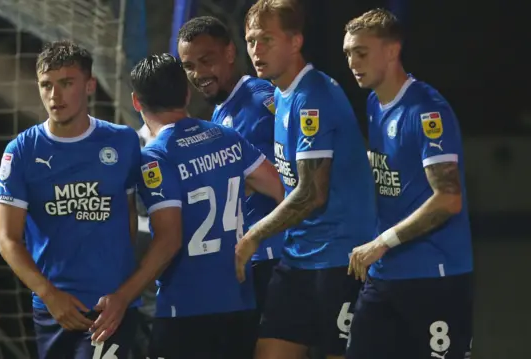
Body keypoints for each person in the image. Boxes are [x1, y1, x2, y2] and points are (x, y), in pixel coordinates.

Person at [236, 1, 377, 359]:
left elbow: (312, 193)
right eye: (251, 40)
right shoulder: (282, 94)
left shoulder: (313, 96)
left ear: (295, 41)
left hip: (339, 261)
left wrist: (253, 236)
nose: (256, 49)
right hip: (297, 259)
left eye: (267, 39)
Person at [131, 53, 284, 359]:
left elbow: (168, 241)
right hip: (238, 300)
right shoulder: (227, 137)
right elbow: (281, 188)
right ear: (187, 93)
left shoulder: (155, 157)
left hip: (185, 307)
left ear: (137, 102)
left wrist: (124, 295)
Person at [0, 40, 140, 359]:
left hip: (110, 307)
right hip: (53, 309)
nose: (54, 95)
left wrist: (124, 290)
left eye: (66, 83)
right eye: (46, 85)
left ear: (89, 85)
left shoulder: (123, 141)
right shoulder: (20, 152)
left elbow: (129, 217)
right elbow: (7, 239)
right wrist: (49, 294)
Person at [343, 9, 474, 359]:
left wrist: (382, 242)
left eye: (362, 52)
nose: (353, 61)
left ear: (391, 51)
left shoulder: (427, 112)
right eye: (348, 53)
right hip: (385, 276)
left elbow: (448, 200)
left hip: (435, 276)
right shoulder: (374, 102)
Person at [177, 15, 283, 315]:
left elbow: (283, 182)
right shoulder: (224, 111)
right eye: (189, 66)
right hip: (250, 259)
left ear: (230, 53)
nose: (198, 73)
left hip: (273, 257)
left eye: (206, 60)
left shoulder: (259, 104)